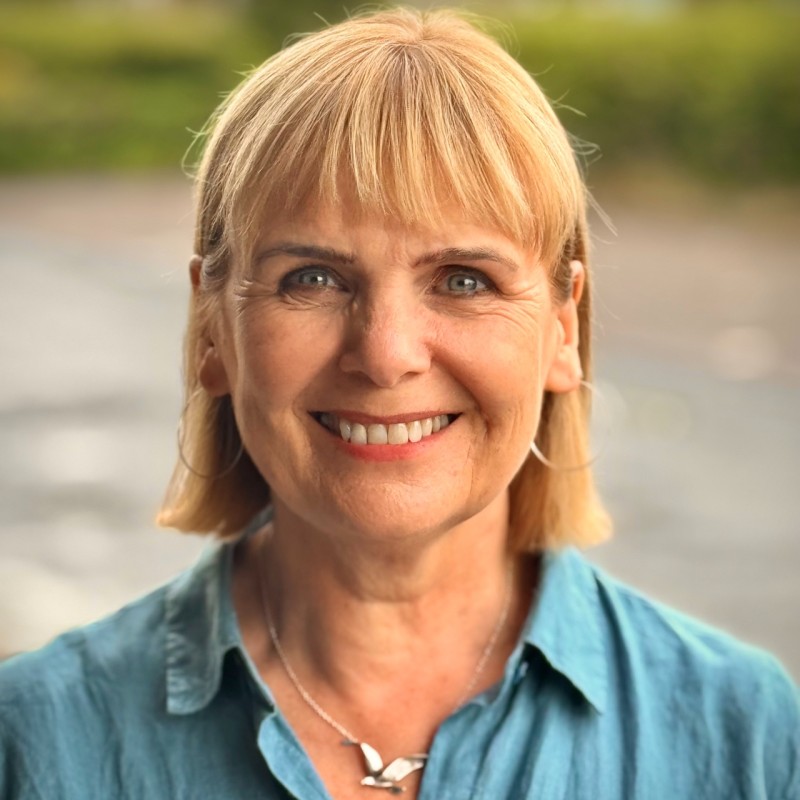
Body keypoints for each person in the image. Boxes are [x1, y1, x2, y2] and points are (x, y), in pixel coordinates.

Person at [0, 8, 797, 799]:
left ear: (562, 328)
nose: (385, 355)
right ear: (214, 329)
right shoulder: (35, 739)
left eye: (463, 281)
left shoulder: (746, 735)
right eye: (312, 278)